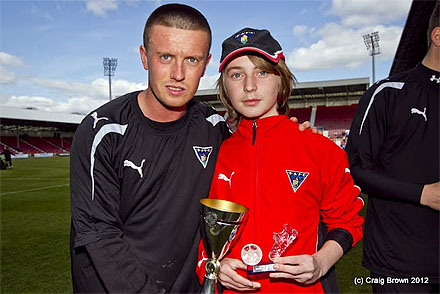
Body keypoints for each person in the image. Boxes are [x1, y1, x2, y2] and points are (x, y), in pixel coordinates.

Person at [70, 4, 312, 293]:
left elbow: (257, 151)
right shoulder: (103, 130)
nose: (178, 73)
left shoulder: (214, 127)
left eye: (192, 59)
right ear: (145, 57)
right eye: (166, 57)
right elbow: (100, 234)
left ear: (206, 64)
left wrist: (292, 135)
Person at [196, 27, 364, 293]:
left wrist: (321, 262)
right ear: (225, 87)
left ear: (281, 80)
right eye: (237, 74)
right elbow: (199, 232)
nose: (249, 86)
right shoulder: (213, 153)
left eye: (262, 72)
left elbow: (348, 222)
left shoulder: (321, 149)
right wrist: (213, 265)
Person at [345, 1, 439, 292]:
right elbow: (356, 168)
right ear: (438, 36)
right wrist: (422, 194)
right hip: (400, 263)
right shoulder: (388, 94)